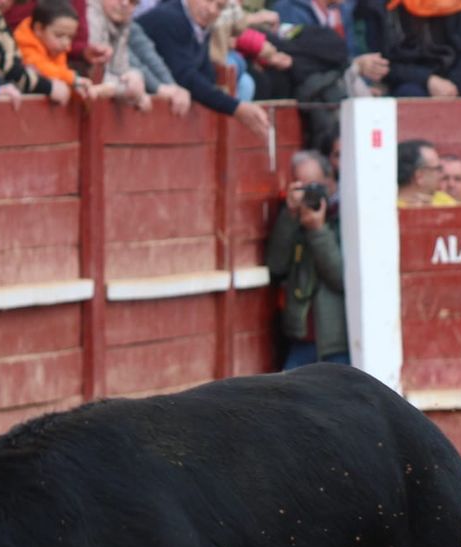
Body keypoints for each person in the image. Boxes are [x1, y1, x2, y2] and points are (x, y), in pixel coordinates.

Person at [136, 0, 273, 134]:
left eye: (219, 6)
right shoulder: (170, 18)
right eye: (207, 1)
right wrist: (236, 107)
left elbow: (206, 74)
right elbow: (184, 76)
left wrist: (233, 105)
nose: (211, 10)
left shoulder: (199, 24)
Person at [266, 150, 347, 371]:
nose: (309, 193)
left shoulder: (345, 216)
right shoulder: (293, 219)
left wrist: (317, 230)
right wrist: (290, 216)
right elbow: (276, 266)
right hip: (302, 339)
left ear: (330, 182)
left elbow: (340, 277)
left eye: (313, 185)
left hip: (337, 341)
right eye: (301, 186)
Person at [381, 0, 461, 96]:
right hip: (414, 80)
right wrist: (427, 80)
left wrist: (452, 84)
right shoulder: (394, 5)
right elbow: (388, 60)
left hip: (458, 80)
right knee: (409, 94)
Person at [396, 138, 456, 206]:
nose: (441, 175)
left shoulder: (442, 200)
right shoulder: (390, 209)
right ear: (419, 176)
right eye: (438, 169)